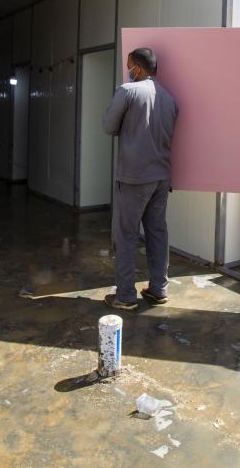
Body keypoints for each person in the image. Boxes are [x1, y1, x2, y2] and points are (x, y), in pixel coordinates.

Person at [101, 47, 178, 310]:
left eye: (129, 66)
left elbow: (108, 127)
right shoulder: (170, 99)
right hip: (162, 177)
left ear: (138, 68)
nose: (128, 71)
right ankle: (158, 289)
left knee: (125, 235)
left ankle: (125, 296)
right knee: (157, 233)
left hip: (134, 177)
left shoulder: (127, 91)